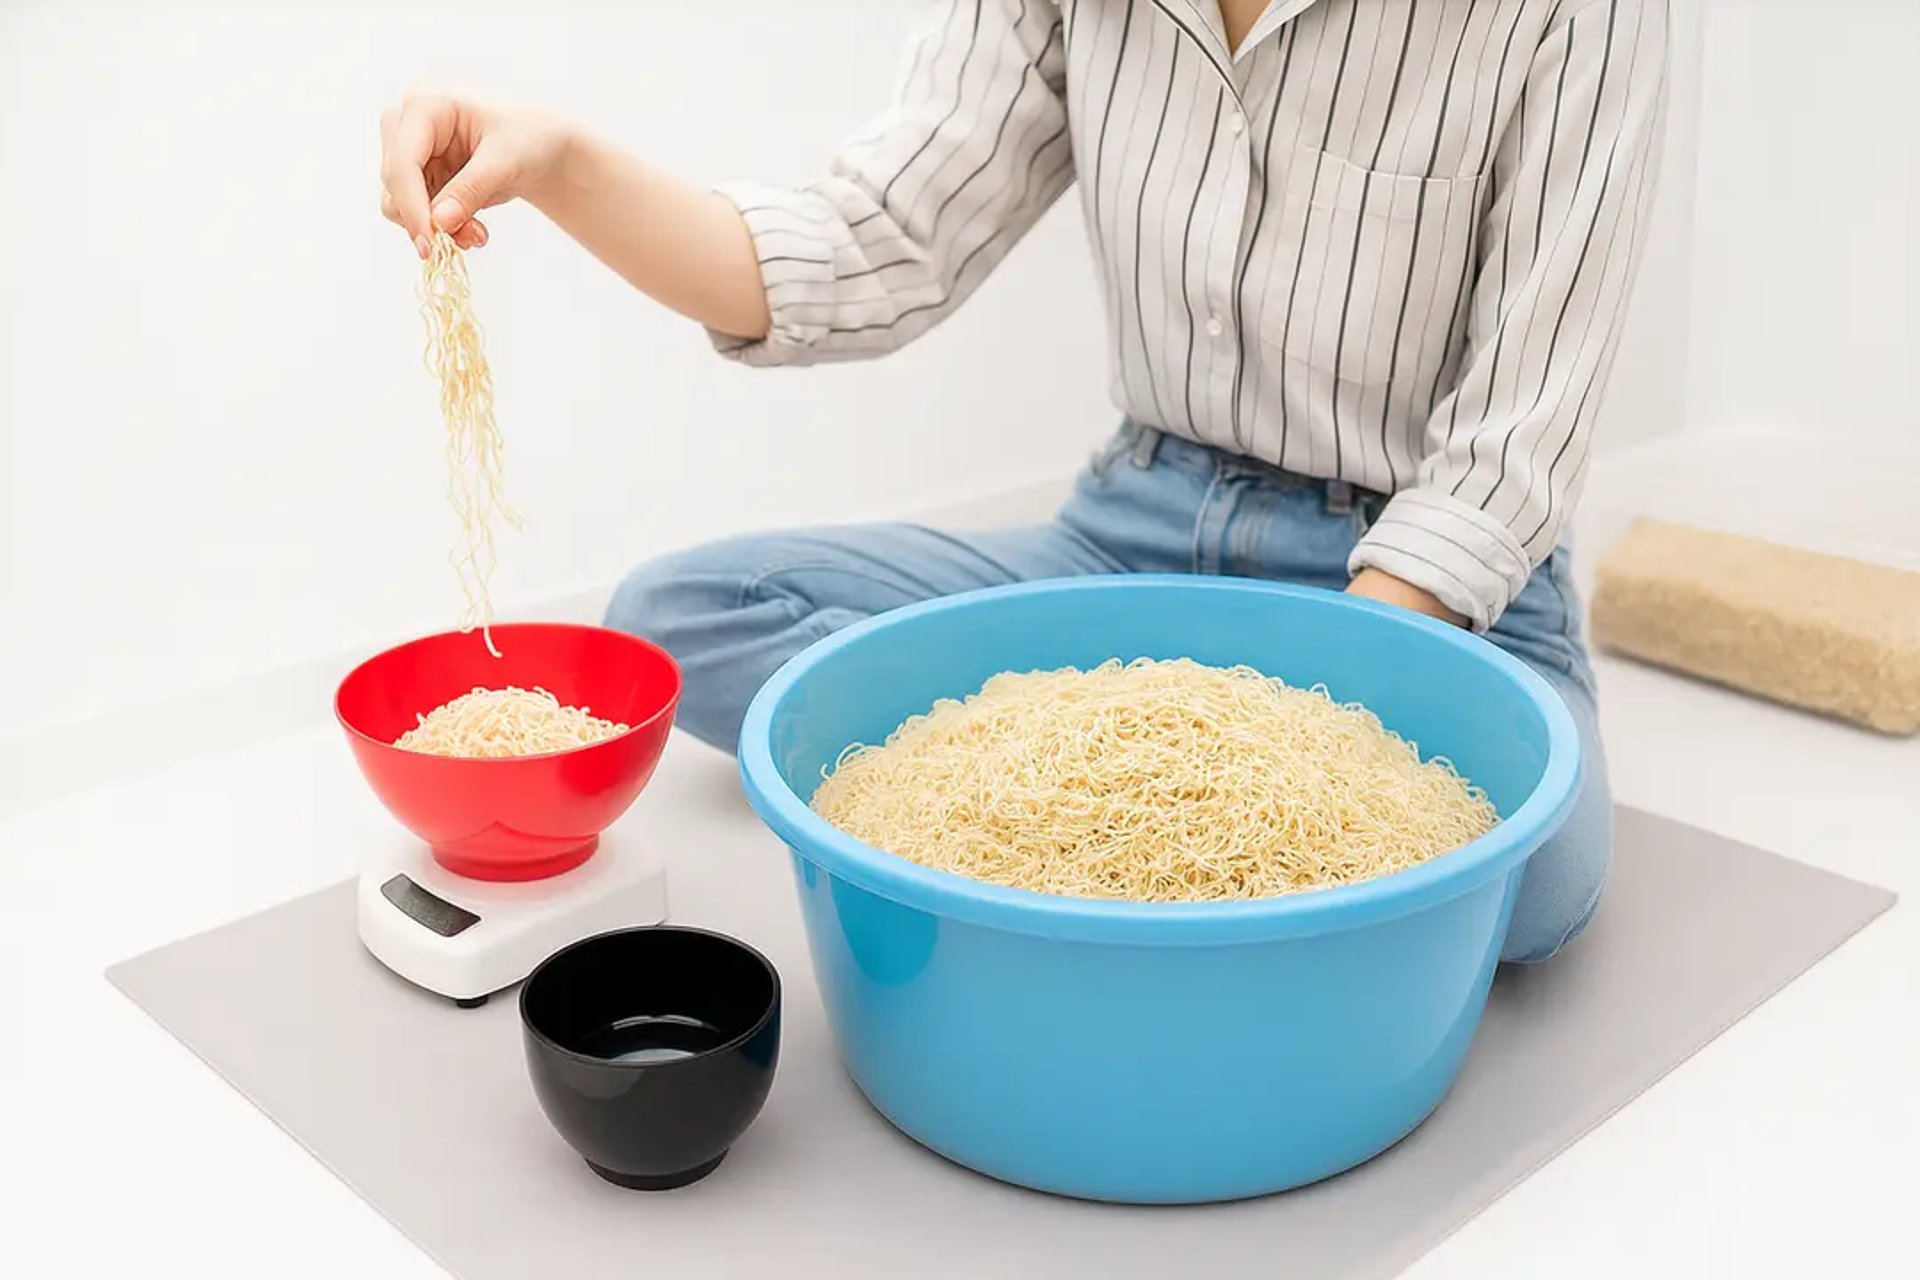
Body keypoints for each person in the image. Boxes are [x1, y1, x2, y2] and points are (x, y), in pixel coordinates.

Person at [379, 0, 1670, 963]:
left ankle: (1083, 820)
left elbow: (1512, 449)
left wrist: (1255, 745)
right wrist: (555, 165)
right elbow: (874, 241)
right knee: (680, 614)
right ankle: (1091, 799)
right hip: (1138, 531)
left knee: (1535, 886)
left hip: (1422, 582)